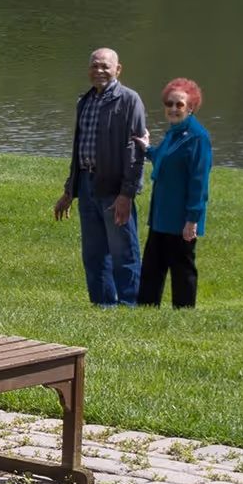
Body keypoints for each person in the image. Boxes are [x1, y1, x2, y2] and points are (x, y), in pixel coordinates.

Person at [52, 47, 148, 305]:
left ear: (118, 69)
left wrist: (127, 194)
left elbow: (136, 152)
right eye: (95, 66)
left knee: (123, 252)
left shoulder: (129, 100)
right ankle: (102, 305)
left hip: (114, 187)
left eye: (105, 66)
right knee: (93, 255)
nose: (99, 71)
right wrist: (70, 191)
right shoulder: (85, 101)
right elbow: (79, 149)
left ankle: (129, 305)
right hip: (86, 184)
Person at [137, 77, 213, 308]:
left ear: (191, 107)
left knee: (182, 267)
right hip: (161, 215)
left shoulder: (198, 137)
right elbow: (162, 157)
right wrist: (147, 148)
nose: (173, 109)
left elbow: (199, 182)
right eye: (169, 104)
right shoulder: (173, 134)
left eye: (179, 105)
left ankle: (184, 312)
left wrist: (192, 220)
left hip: (181, 218)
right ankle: (146, 309)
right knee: (152, 266)